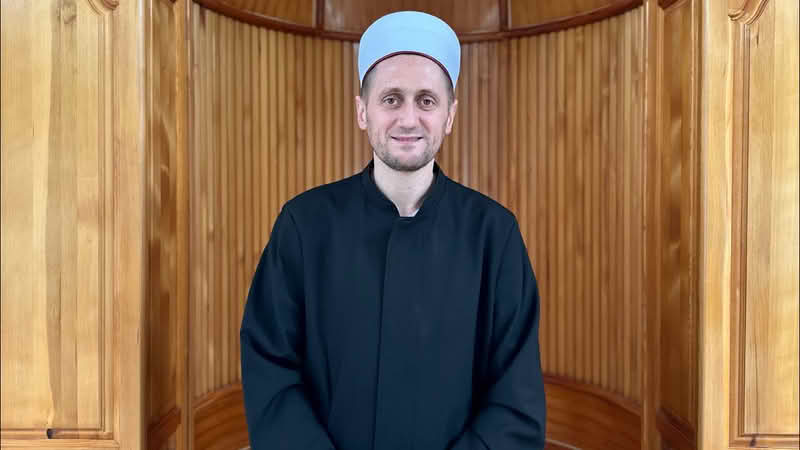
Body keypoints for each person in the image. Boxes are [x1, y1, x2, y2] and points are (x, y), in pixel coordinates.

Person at [240, 11, 546, 450]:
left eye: (426, 101)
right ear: (362, 111)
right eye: (391, 99)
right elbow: (272, 371)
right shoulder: (304, 226)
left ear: (450, 115)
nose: (408, 119)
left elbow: (515, 400)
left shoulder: (494, 235)